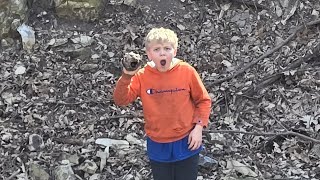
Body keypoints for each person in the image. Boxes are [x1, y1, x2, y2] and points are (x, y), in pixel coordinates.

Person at [113, 27, 211, 180]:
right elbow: (121, 100)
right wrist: (127, 76)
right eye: (157, 49)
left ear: (175, 51)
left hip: (187, 141)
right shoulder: (142, 76)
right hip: (158, 143)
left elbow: (203, 100)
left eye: (167, 48)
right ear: (149, 53)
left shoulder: (187, 71)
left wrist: (198, 127)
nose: (163, 53)